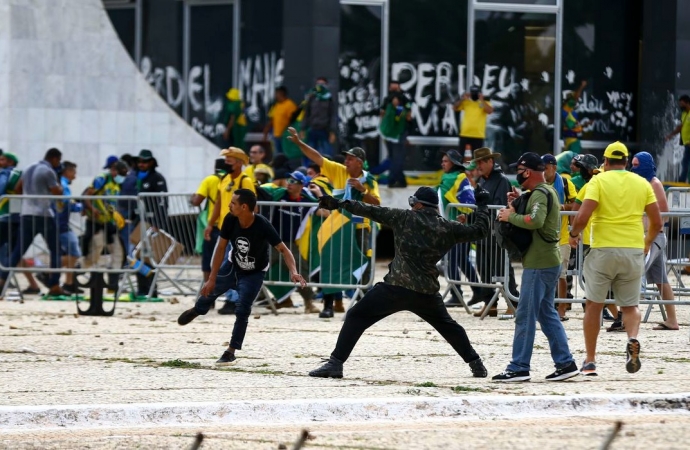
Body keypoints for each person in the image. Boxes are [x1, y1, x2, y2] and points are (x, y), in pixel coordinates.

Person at [308, 185, 492, 379]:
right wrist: (482, 205)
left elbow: (370, 210)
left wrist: (339, 204)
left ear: (418, 204)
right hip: (426, 292)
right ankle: (476, 364)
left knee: (356, 316)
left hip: (395, 288)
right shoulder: (448, 227)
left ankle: (335, 364)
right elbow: (480, 231)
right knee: (449, 327)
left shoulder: (404, 217)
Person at [177, 189, 307, 366]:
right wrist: (212, 277)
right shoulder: (230, 219)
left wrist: (293, 271)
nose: (229, 205)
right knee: (208, 294)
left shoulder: (262, 225)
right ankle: (198, 310)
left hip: (254, 273)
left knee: (243, 309)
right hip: (232, 266)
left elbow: (284, 249)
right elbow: (221, 248)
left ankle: (230, 351)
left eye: (232, 203)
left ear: (244, 207)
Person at [569, 142, 662, 376]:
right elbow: (657, 221)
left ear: (606, 162)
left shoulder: (599, 181)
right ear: (627, 161)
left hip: (603, 250)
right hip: (632, 249)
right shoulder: (642, 183)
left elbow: (582, 215)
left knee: (594, 305)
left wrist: (573, 234)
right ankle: (632, 338)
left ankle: (590, 361)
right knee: (630, 306)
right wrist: (647, 242)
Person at [492, 153, 578, 382]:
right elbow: (534, 214)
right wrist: (518, 202)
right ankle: (566, 363)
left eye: (519, 170)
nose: (517, 174)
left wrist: (510, 217)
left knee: (525, 314)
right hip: (545, 261)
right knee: (547, 314)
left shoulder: (541, 193)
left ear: (527, 172)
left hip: (539, 265)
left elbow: (536, 220)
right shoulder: (543, 192)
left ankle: (519, 366)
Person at [288, 127, 380, 318]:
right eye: (345, 158)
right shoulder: (339, 171)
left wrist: (363, 190)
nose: (345, 161)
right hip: (337, 227)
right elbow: (317, 157)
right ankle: (329, 305)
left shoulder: (369, 180)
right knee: (331, 263)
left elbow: (377, 204)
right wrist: (298, 143)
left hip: (360, 228)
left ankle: (362, 305)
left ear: (360, 162)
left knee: (363, 265)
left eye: (350, 158)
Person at [0, 148, 67, 296]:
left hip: (26, 214)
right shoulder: (48, 171)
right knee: (55, 249)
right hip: (44, 214)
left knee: (18, 251)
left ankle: (2, 279)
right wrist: (59, 184)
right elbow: (57, 191)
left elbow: (18, 189)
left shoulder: (29, 167)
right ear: (55, 159)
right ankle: (54, 284)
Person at [266, 171, 326, 313]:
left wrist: (319, 194)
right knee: (255, 268)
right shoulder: (280, 195)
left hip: (289, 244)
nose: (289, 184)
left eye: (293, 181)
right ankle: (277, 298)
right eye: (288, 180)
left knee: (300, 271)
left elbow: (326, 213)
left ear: (301, 185)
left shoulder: (306, 200)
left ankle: (308, 303)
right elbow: (263, 193)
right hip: (271, 241)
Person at [630, 152, 678, 330]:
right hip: (649, 235)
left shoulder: (654, 183)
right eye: (632, 164)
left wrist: (648, 230)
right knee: (661, 281)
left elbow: (664, 213)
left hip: (653, 237)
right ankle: (672, 320)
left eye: (636, 165)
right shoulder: (641, 183)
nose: (633, 168)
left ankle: (627, 317)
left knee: (635, 274)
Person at [204, 147, 255, 314]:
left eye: (229, 160)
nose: (226, 163)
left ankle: (234, 300)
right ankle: (230, 298)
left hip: (239, 229)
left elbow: (253, 206)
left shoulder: (245, 180)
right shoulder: (224, 178)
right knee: (221, 264)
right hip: (225, 228)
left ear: (239, 163)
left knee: (233, 266)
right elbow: (219, 202)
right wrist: (210, 223)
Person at [437, 149, 488, 306]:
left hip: (459, 227)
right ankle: (477, 291)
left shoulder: (457, 178)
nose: (442, 163)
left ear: (453, 162)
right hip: (456, 226)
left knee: (453, 259)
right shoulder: (453, 178)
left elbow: (468, 203)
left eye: (445, 161)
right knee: (461, 260)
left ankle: (457, 294)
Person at [472, 147, 518, 317]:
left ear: (491, 161)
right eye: (477, 162)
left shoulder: (501, 180)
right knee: (483, 268)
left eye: (482, 162)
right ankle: (489, 303)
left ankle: (513, 302)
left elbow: (499, 205)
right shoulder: (482, 180)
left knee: (503, 268)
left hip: (496, 233)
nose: (479, 165)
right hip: (483, 232)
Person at [81, 159, 129, 291]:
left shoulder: (117, 185)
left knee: (118, 253)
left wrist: (116, 215)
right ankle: (76, 274)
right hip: (96, 223)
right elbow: (87, 196)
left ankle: (112, 286)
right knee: (94, 253)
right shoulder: (101, 179)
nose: (122, 178)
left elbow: (111, 202)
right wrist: (92, 209)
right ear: (113, 171)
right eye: (120, 174)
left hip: (109, 223)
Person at [542, 154, 577, 320]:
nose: (543, 171)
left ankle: (562, 307)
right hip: (543, 235)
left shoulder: (564, 183)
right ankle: (546, 306)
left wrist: (562, 206)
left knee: (561, 275)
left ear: (554, 167)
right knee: (543, 272)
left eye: (545, 167)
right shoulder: (539, 183)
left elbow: (576, 205)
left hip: (562, 235)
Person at [134, 149, 168, 298]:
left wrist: (158, 224)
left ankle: (151, 289)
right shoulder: (135, 177)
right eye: (140, 161)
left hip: (151, 223)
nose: (141, 164)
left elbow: (162, 202)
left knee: (150, 258)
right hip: (137, 222)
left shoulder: (157, 178)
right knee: (136, 257)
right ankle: (141, 288)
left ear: (151, 162)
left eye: (145, 162)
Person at [191, 159, 228, 285]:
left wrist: (192, 198)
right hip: (230, 225)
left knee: (208, 261)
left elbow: (196, 201)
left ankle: (208, 294)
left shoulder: (209, 180)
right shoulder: (231, 181)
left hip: (214, 226)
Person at [54, 161, 83, 294]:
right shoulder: (63, 184)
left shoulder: (60, 182)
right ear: (67, 171)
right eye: (74, 172)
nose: (75, 176)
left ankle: (69, 283)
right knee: (74, 253)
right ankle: (48, 269)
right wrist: (82, 207)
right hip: (61, 224)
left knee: (68, 253)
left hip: (59, 223)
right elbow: (67, 203)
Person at [379, 80, 413, 188]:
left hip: (399, 133)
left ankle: (392, 180)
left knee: (397, 157)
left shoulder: (404, 99)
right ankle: (401, 180)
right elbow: (382, 114)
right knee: (394, 157)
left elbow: (408, 115)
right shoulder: (387, 100)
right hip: (389, 133)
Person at [301, 77, 337, 157]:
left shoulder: (329, 99)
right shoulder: (312, 97)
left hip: (324, 129)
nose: (320, 86)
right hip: (312, 129)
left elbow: (332, 116)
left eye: (322, 84)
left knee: (326, 154)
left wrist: (332, 132)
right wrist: (303, 129)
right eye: (318, 84)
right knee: (310, 153)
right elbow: (306, 114)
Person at [454, 85, 494, 151]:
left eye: (476, 93)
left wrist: (482, 100)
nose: (474, 95)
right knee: (460, 156)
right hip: (465, 133)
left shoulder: (485, 102)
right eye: (473, 93)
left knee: (476, 158)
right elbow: (454, 108)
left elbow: (490, 111)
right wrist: (462, 99)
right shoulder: (466, 102)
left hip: (478, 134)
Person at [263, 86, 298, 155]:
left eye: (276, 93)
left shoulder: (290, 105)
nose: (275, 95)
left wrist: (289, 132)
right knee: (277, 154)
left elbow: (293, 121)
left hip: (285, 135)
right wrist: (266, 132)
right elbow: (271, 120)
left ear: (281, 93)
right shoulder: (276, 105)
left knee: (285, 154)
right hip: (276, 135)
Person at [665, 94, 690, 182]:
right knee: (685, 162)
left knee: (685, 162)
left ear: (687, 103)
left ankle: (682, 180)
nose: (680, 106)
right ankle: (682, 180)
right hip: (687, 144)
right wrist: (671, 135)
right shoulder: (684, 114)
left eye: (682, 104)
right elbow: (681, 127)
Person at [562, 80, 587, 154]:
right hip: (571, 141)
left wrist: (585, 125)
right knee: (574, 160)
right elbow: (576, 96)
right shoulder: (566, 110)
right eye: (573, 99)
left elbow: (575, 126)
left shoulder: (572, 112)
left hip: (572, 139)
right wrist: (582, 87)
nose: (576, 100)